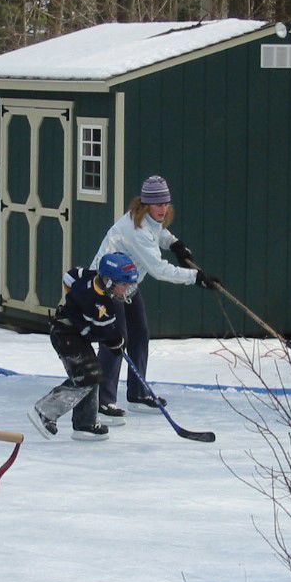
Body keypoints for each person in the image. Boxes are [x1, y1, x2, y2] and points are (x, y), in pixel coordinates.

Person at [91, 175, 218, 420]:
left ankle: (138, 393)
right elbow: (159, 270)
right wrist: (196, 277)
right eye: (158, 204)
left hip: (128, 284)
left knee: (140, 334)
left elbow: (158, 233)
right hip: (107, 285)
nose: (163, 208)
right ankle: (102, 400)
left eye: (166, 203)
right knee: (117, 339)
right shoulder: (135, 230)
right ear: (146, 203)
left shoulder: (149, 220)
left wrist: (176, 244)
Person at [27, 252, 140, 442]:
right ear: (109, 281)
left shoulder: (89, 276)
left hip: (75, 333)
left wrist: (73, 300)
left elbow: (70, 276)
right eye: (124, 284)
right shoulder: (100, 305)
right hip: (65, 334)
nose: (127, 289)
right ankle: (44, 411)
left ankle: (84, 424)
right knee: (86, 375)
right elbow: (108, 334)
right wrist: (117, 342)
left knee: (93, 372)